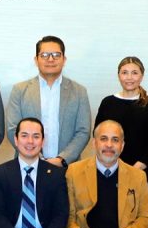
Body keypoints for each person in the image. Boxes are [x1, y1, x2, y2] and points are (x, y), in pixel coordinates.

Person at [6, 36, 92, 168]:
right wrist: (36, 158)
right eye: (45, 55)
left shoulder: (79, 92)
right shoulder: (20, 90)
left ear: (64, 59)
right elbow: (13, 129)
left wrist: (63, 159)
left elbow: (83, 131)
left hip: (68, 167)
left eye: (56, 55)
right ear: (36, 60)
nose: (50, 59)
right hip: (28, 165)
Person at [94, 56, 148, 171]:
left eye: (134, 73)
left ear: (142, 76)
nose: (129, 77)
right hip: (112, 169)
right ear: (118, 75)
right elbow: (99, 137)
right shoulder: (107, 103)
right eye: (124, 73)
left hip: (144, 170)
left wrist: (137, 168)